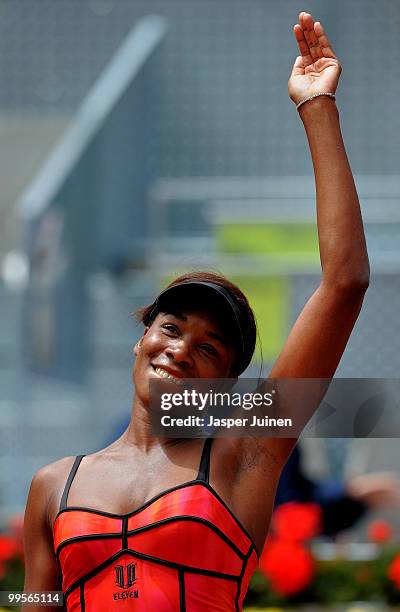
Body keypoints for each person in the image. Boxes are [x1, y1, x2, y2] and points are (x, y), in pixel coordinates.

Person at [22, 12, 370, 611]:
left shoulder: (245, 456)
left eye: (209, 348)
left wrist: (317, 107)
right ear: (141, 341)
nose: (180, 348)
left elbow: (345, 282)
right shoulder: (53, 485)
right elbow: (35, 605)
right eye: (171, 327)